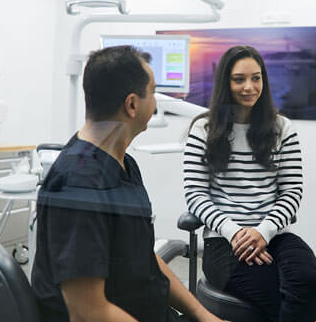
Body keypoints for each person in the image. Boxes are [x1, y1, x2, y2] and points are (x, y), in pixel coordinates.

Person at [32, 46, 223, 322]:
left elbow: (142, 256)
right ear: (132, 105)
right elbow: (88, 313)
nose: (157, 102)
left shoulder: (124, 164)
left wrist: (202, 315)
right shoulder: (79, 183)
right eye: (153, 92)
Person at [183, 45, 316, 322]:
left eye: (256, 78)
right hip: (224, 242)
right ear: (225, 82)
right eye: (239, 79)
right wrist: (235, 232)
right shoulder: (203, 129)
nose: (249, 86)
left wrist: (264, 231)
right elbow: (195, 194)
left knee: (309, 283)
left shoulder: (282, 128)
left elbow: (292, 191)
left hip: (275, 234)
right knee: (274, 291)